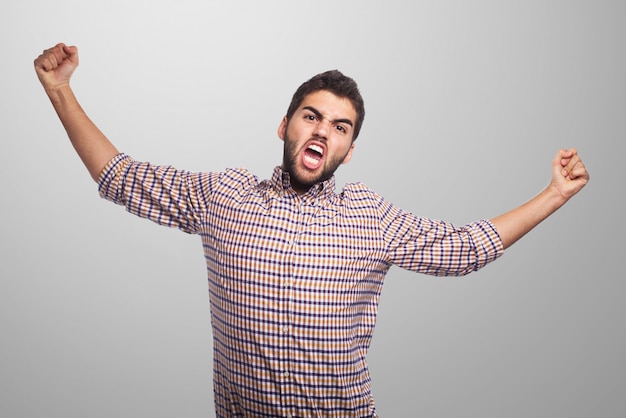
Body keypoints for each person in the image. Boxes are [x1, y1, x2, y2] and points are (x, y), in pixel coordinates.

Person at [34, 43, 589, 418]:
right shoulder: (223, 195)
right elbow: (118, 176)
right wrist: (59, 90)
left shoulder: (369, 217)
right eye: (311, 115)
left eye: (340, 126)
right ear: (286, 124)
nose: (324, 129)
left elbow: (465, 248)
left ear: (348, 151)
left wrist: (554, 195)